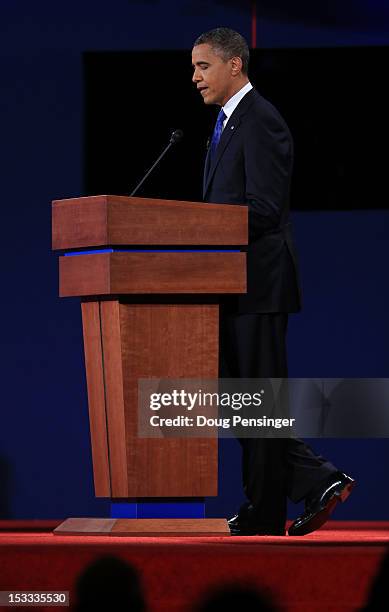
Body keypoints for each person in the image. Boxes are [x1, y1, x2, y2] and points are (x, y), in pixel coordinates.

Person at [191, 27, 355, 536]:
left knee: (256, 402)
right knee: (246, 403)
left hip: (258, 284)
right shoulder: (227, 124)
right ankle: (312, 480)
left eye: (203, 66)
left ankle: (274, 503)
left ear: (234, 65)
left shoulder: (261, 121)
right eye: (193, 67)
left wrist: (200, 228)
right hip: (231, 284)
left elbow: (264, 208)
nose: (194, 77)